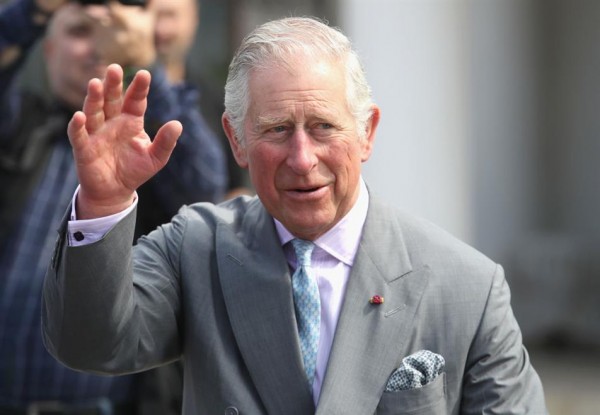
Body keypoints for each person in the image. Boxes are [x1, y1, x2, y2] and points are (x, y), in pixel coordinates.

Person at [41, 16, 548, 414]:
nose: (302, 159)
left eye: (323, 126)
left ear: (367, 132)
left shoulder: (468, 288)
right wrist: (104, 205)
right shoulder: (195, 247)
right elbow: (91, 345)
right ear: (237, 140)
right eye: (277, 129)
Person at [0, 0, 227, 412]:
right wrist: (33, 10)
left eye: (112, 35)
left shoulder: (148, 145)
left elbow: (204, 188)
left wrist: (145, 64)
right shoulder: (18, 125)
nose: (99, 47)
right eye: (80, 31)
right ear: (48, 49)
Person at [154, 0, 252, 200]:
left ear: (193, 19)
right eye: (153, 15)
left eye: (170, 15)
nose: (160, 29)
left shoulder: (218, 100)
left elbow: (236, 189)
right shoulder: (109, 93)